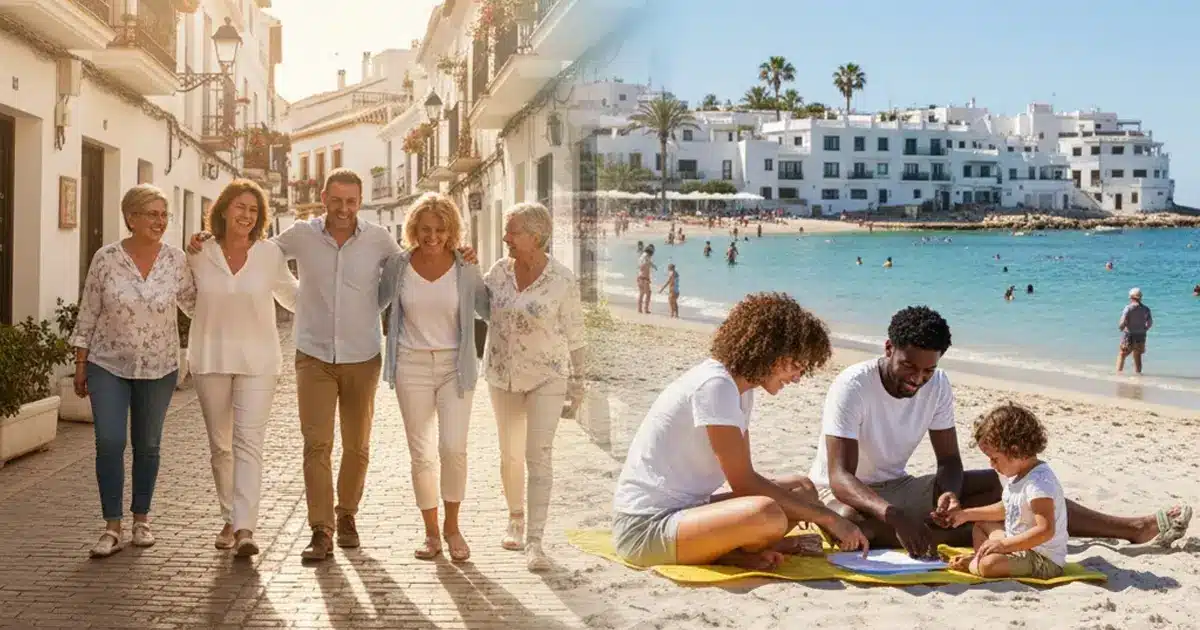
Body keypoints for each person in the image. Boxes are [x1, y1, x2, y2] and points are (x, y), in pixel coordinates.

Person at [188, 168, 476, 561]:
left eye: (351, 201)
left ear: (360, 202)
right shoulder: (301, 236)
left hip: (362, 354)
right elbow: (257, 250)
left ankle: (347, 515)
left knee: (357, 445)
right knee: (316, 444)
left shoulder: (378, 239)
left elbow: (412, 266)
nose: (344, 209)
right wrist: (210, 238)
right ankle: (320, 529)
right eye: (337, 200)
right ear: (323, 198)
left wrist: (460, 254)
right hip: (313, 355)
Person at [809, 306, 1191, 559]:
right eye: (910, 367)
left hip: (900, 486)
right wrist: (894, 515)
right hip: (843, 495)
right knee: (849, 521)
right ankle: (992, 531)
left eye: (927, 370)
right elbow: (840, 477)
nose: (918, 379)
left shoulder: (937, 384)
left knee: (1012, 484)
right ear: (889, 348)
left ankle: (1130, 528)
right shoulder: (853, 385)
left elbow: (949, 460)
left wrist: (949, 497)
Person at [612, 293, 868, 570]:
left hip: (688, 510)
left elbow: (746, 476)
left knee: (801, 487)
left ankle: (732, 549)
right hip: (645, 529)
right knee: (765, 513)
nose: (797, 377)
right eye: (796, 365)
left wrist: (817, 512)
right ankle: (731, 552)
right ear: (770, 353)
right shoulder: (715, 385)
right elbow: (743, 483)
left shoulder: (740, 390)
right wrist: (828, 518)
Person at [70, 184, 196, 558]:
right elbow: (88, 311)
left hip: (159, 366)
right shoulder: (106, 259)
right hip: (107, 362)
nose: (160, 221)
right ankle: (111, 526)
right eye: (152, 214)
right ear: (131, 218)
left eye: (164, 214)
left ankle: (141, 519)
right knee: (109, 441)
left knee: (149, 444)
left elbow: (197, 304)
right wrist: (80, 363)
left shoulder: (176, 261)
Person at [188, 179, 298, 557]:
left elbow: (292, 295)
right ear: (222, 210)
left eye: (253, 210)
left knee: (249, 443)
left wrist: (334, 295)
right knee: (221, 446)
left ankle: (246, 527)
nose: (246, 216)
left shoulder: (269, 255)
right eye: (240, 207)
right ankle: (230, 516)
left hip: (259, 361)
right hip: (210, 357)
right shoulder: (200, 252)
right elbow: (189, 299)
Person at [378, 193, 489, 562]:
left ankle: (453, 527)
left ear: (451, 230)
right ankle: (430, 534)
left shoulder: (465, 267)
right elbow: (372, 302)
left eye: (440, 229)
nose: (432, 236)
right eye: (425, 229)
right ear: (413, 229)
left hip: (454, 367)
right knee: (421, 453)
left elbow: (491, 308)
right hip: (410, 365)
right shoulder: (398, 265)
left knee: (453, 449)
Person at [483, 202, 587, 572]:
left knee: (537, 455)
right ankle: (515, 517)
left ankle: (536, 542)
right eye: (507, 231)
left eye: (513, 231)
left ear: (536, 236)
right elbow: (479, 306)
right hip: (502, 374)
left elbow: (576, 333)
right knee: (510, 453)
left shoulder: (561, 279)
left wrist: (579, 382)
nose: (506, 237)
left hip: (547, 376)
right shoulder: (497, 272)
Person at [942, 403, 1066, 579]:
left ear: (1014, 450)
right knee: (981, 526)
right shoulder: (1017, 476)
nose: (991, 465)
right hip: (1016, 546)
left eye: (994, 459)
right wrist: (966, 514)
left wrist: (1004, 546)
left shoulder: (1039, 483)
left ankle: (976, 563)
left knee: (988, 566)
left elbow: (1046, 530)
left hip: (1041, 558)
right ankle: (982, 558)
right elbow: (1008, 508)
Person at [1117, 287, 1153, 374]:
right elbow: (1150, 323)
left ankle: (1118, 373)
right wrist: (1145, 329)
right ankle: (1138, 374)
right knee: (1137, 355)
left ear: (1131, 297)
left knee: (1122, 354)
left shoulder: (1128, 308)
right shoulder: (1146, 309)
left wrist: (1121, 327)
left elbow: (1123, 321)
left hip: (1129, 334)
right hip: (1141, 335)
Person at [636, 244, 656, 314]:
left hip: (640, 277)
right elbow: (643, 265)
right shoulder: (646, 257)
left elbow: (647, 263)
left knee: (641, 293)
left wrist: (653, 266)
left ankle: (639, 309)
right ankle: (646, 309)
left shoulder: (643, 256)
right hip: (644, 278)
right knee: (648, 293)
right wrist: (648, 265)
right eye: (653, 252)